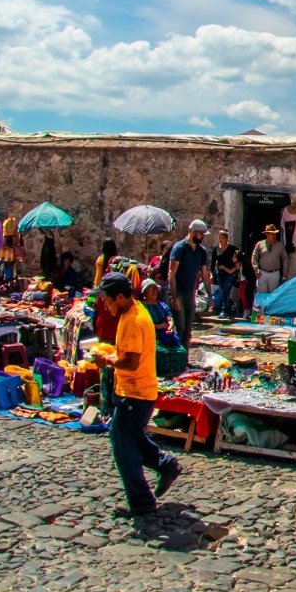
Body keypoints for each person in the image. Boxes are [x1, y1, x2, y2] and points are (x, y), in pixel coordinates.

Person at [94, 275, 180, 521]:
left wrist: (107, 360)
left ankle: (141, 501)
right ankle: (166, 464)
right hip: (137, 391)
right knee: (129, 438)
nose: (105, 306)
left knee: (124, 448)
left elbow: (130, 363)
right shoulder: (135, 310)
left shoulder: (133, 320)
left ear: (120, 297)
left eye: (108, 301)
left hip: (135, 392)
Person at [168, 220, 212, 344]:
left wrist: (210, 296)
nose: (203, 237)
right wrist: (174, 297)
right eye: (201, 234)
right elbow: (171, 273)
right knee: (180, 327)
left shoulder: (201, 251)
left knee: (188, 330)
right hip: (178, 292)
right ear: (193, 232)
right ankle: (177, 353)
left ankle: (185, 354)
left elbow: (205, 274)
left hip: (190, 293)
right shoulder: (179, 248)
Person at [209, 229, 242, 318]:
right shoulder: (216, 249)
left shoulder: (232, 248)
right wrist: (211, 274)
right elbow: (212, 263)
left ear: (226, 239)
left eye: (222, 238)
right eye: (219, 238)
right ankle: (229, 306)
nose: (221, 240)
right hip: (220, 274)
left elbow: (239, 258)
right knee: (223, 291)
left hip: (231, 273)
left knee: (226, 290)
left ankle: (224, 310)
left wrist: (235, 267)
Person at [252, 224, 287, 305]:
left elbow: (285, 258)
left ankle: (272, 312)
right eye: (272, 234)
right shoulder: (260, 244)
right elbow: (254, 257)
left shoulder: (280, 246)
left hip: (274, 273)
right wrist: (256, 269)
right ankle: (262, 311)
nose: (274, 236)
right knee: (262, 295)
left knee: (274, 296)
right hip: (262, 273)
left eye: (275, 234)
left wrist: (285, 270)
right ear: (267, 234)